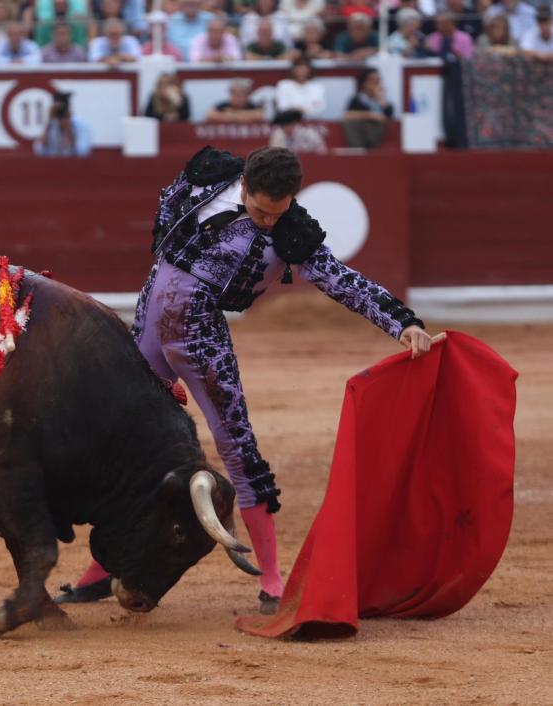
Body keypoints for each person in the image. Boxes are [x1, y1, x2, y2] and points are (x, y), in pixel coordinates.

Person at [54, 146, 432, 613]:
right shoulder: (206, 177)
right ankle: (104, 569)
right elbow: (165, 223)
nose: (270, 222)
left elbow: (344, 281)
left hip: (202, 339)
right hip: (150, 318)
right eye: (260, 211)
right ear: (245, 187)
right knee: (126, 446)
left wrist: (401, 321)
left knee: (238, 448)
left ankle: (272, 579)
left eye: (279, 212)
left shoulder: (294, 232)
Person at [342, 68, 394, 149]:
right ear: (364, 83)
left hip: (377, 140)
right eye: (372, 80)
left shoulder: (384, 102)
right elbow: (346, 115)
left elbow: (388, 119)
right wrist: (369, 115)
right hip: (359, 138)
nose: (375, 83)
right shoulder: (357, 99)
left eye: (378, 81)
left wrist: (381, 99)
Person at [33, 91, 93, 156]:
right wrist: (48, 123)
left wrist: (68, 129)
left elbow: (82, 151)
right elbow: (39, 151)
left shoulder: (81, 126)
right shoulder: (51, 125)